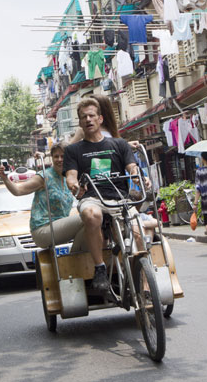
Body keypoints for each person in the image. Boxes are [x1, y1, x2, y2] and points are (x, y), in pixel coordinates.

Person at [64, 98, 150, 291]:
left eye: (92, 115)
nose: (88, 119)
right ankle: (100, 267)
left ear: (100, 118)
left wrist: (139, 179)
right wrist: (74, 186)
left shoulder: (119, 144)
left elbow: (132, 168)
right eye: (83, 117)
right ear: (80, 122)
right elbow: (71, 177)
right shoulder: (73, 150)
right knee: (91, 214)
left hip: (120, 199)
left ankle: (145, 282)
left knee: (138, 231)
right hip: (93, 199)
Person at [0, 142, 85, 250]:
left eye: (63, 156)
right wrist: (5, 178)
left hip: (59, 227)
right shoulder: (44, 176)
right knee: (87, 217)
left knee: (91, 224)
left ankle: (77, 259)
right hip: (43, 229)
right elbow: (18, 190)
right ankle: (75, 258)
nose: (59, 159)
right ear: (52, 158)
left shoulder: (69, 177)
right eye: (56, 156)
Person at [70, 94, 141, 149]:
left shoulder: (109, 132)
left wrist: (126, 145)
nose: (88, 118)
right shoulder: (85, 131)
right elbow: (65, 150)